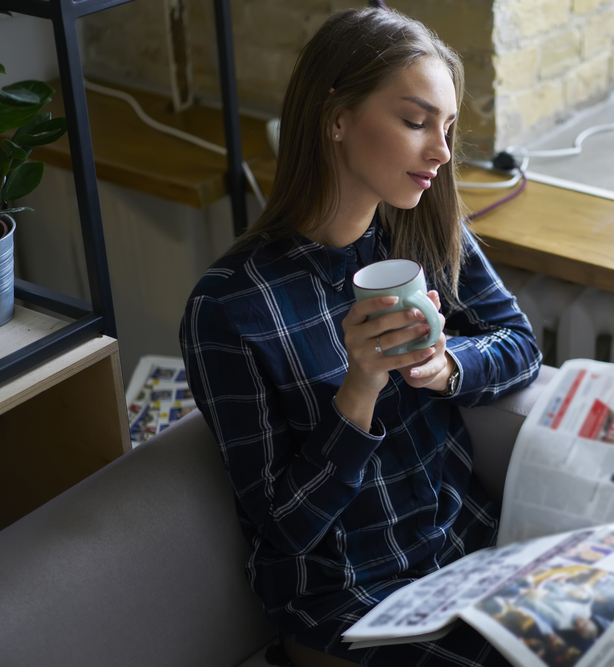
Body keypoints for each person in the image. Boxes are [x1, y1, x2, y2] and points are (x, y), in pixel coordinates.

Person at [179, 6, 541, 666]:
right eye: (415, 120)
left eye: (449, 126)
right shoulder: (229, 308)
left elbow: (519, 342)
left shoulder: (424, 232)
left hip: (462, 555)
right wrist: (359, 388)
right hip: (348, 606)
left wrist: (447, 366)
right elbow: (284, 527)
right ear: (337, 119)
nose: (442, 150)